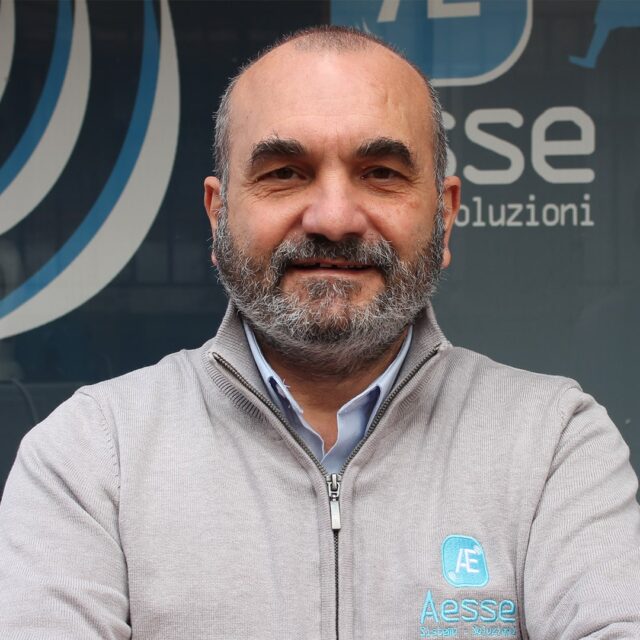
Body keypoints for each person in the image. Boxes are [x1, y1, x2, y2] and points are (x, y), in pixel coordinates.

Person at [1, 25, 639, 640]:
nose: (334, 219)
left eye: (380, 173)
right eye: (285, 172)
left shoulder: (554, 443)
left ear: (444, 215)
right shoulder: (92, 455)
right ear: (218, 215)